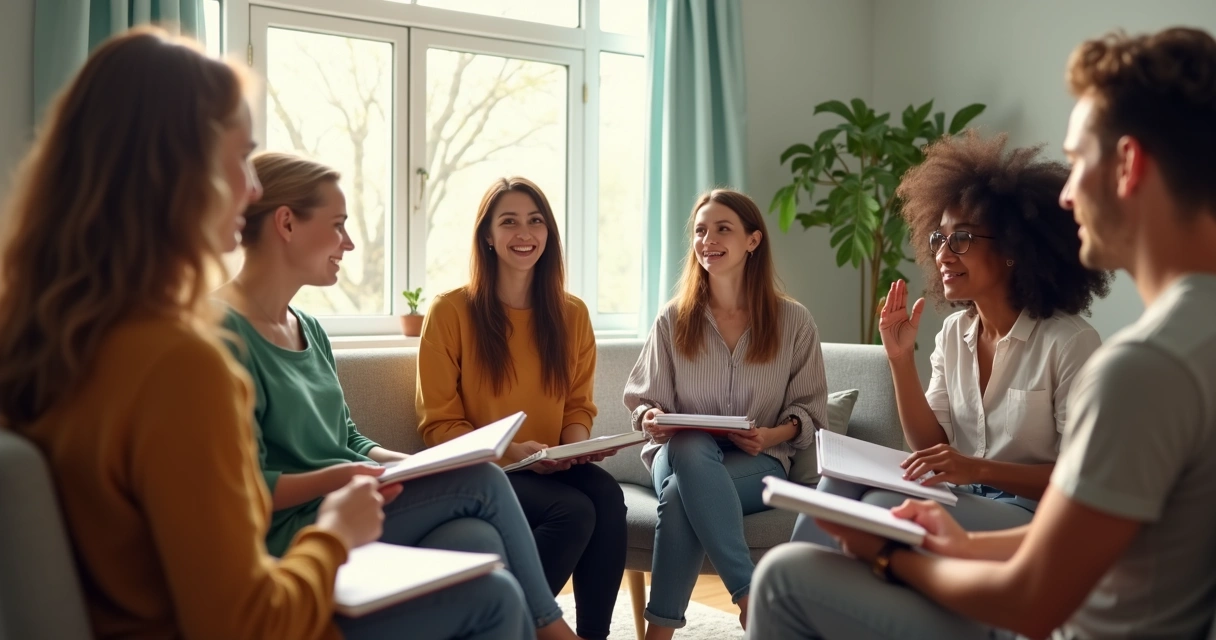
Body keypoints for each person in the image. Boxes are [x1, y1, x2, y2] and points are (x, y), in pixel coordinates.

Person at [0, 28, 531, 639]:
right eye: (241, 157)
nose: (252, 187)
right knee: (491, 598)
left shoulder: (48, 337)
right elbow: (246, 621)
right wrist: (332, 534)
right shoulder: (181, 362)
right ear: (179, 168)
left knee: (472, 548)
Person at [748, 26, 1216, 640]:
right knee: (844, 505)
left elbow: (1032, 599)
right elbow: (1100, 541)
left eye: (1077, 163)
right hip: (1041, 566)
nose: (1068, 196)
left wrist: (889, 557)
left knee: (785, 574)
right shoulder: (1191, 338)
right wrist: (961, 541)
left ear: (1127, 165)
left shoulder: (1139, 366)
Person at [216, 153, 584, 639]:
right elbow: (246, 490)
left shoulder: (308, 328)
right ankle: (553, 631)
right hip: (300, 531)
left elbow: (345, 435)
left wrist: (407, 463)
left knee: (480, 548)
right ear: (286, 222)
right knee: (482, 483)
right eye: (338, 225)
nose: (349, 242)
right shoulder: (222, 338)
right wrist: (349, 475)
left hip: (352, 498)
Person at [792, 132, 1111, 547]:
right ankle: (792, 596)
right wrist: (901, 361)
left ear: (1014, 249)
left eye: (962, 238)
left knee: (882, 504)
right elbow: (931, 446)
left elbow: (1080, 482)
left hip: (1031, 518)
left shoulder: (1070, 344)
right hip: (961, 496)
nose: (943, 253)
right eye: (939, 238)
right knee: (835, 490)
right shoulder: (954, 334)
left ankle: (799, 598)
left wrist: (978, 470)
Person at [416, 177, 626, 640]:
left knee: (608, 495)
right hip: (482, 469)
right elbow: (438, 426)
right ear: (487, 237)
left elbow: (577, 407)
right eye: (508, 222)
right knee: (572, 511)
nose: (524, 233)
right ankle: (512, 628)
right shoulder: (450, 311)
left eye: (535, 221)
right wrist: (514, 451)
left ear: (549, 234)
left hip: (546, 462)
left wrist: (574, 450)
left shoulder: (572, 314)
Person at [622, 188, 830, 638]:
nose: (707, 239)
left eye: (722, 229)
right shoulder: (673, 319)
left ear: (752, 241)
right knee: (690, 445)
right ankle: (751, 600)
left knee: (680, 498)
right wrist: (651, 418)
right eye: (700, 230)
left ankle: (658, 635)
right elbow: (641, 402)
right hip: (676, 454)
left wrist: (770, 436)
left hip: (757, 462)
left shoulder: (794, 322)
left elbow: (810, 411)